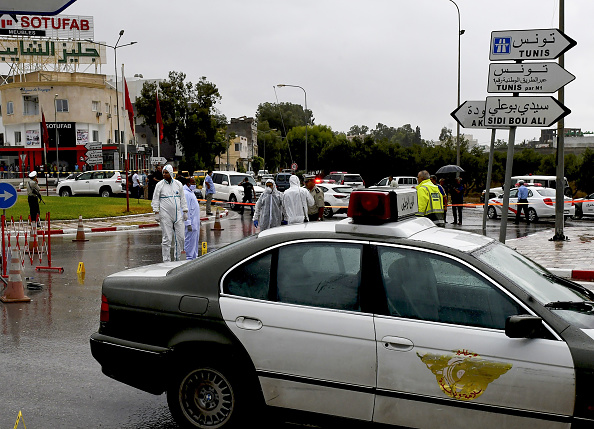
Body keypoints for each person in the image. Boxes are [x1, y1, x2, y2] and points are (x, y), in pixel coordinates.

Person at [151, 164, 188, 262]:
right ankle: (166, 260)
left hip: (178, 215)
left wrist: (185, 211)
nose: (164, 174)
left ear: (171, 173)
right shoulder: (160, 185)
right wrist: (156, 211)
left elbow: (182, 198)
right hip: (165, 215)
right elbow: (155, 199)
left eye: (166, 173)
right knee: (167, 238)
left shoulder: (178, 184)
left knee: (181, 238)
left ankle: (178, 259)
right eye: (163, 172)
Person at [181, 176, 201, 260]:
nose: (195, 184)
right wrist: (187, 223)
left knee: (194, 243)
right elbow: (185, 209)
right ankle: (188, 259)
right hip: (190, 225)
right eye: (193, 182)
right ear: (188, 183)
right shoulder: (185, 193)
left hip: (195, 224)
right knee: (189, 244)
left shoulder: (191, 192)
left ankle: (194, 258)